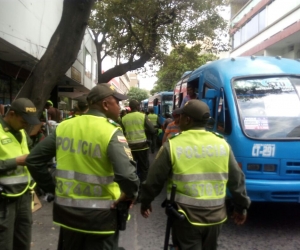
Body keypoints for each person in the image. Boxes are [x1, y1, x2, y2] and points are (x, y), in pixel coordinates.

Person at [26, 83, 140, 250]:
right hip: (101, 219)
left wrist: (53, 189)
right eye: (117, 102)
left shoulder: (65, 126)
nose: (120, 107)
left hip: (67, 215)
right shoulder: (111, 131)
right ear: (105, 104)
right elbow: (127, 176)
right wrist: (131, 194)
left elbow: (33, 160)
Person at [140, 99, 251, 250]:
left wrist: (146, 202)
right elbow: (237, 180)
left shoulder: (173, 145)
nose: (177, 119)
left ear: (188, 119)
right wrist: (241, 207)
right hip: (216, 217)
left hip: (185, 218)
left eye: (181, 116)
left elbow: (154, 181)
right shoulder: (222, 144)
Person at [0, 98, 41, 250]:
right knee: (4, 242)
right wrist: (15, 161)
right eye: (24, 121)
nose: (26, 125)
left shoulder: (22, 133)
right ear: (11, 114)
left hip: (24, 195)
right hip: (5, 199)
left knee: (23, 240)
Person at [121, 100, 155, 199]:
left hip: (129, 148)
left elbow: (121, 132)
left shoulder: (124, 118)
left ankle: (132, 191)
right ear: (137, 106)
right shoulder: (142, 116)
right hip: (142, 147)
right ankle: (141, 193)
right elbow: (152, 130)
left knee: (131, 169)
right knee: (144, 169)